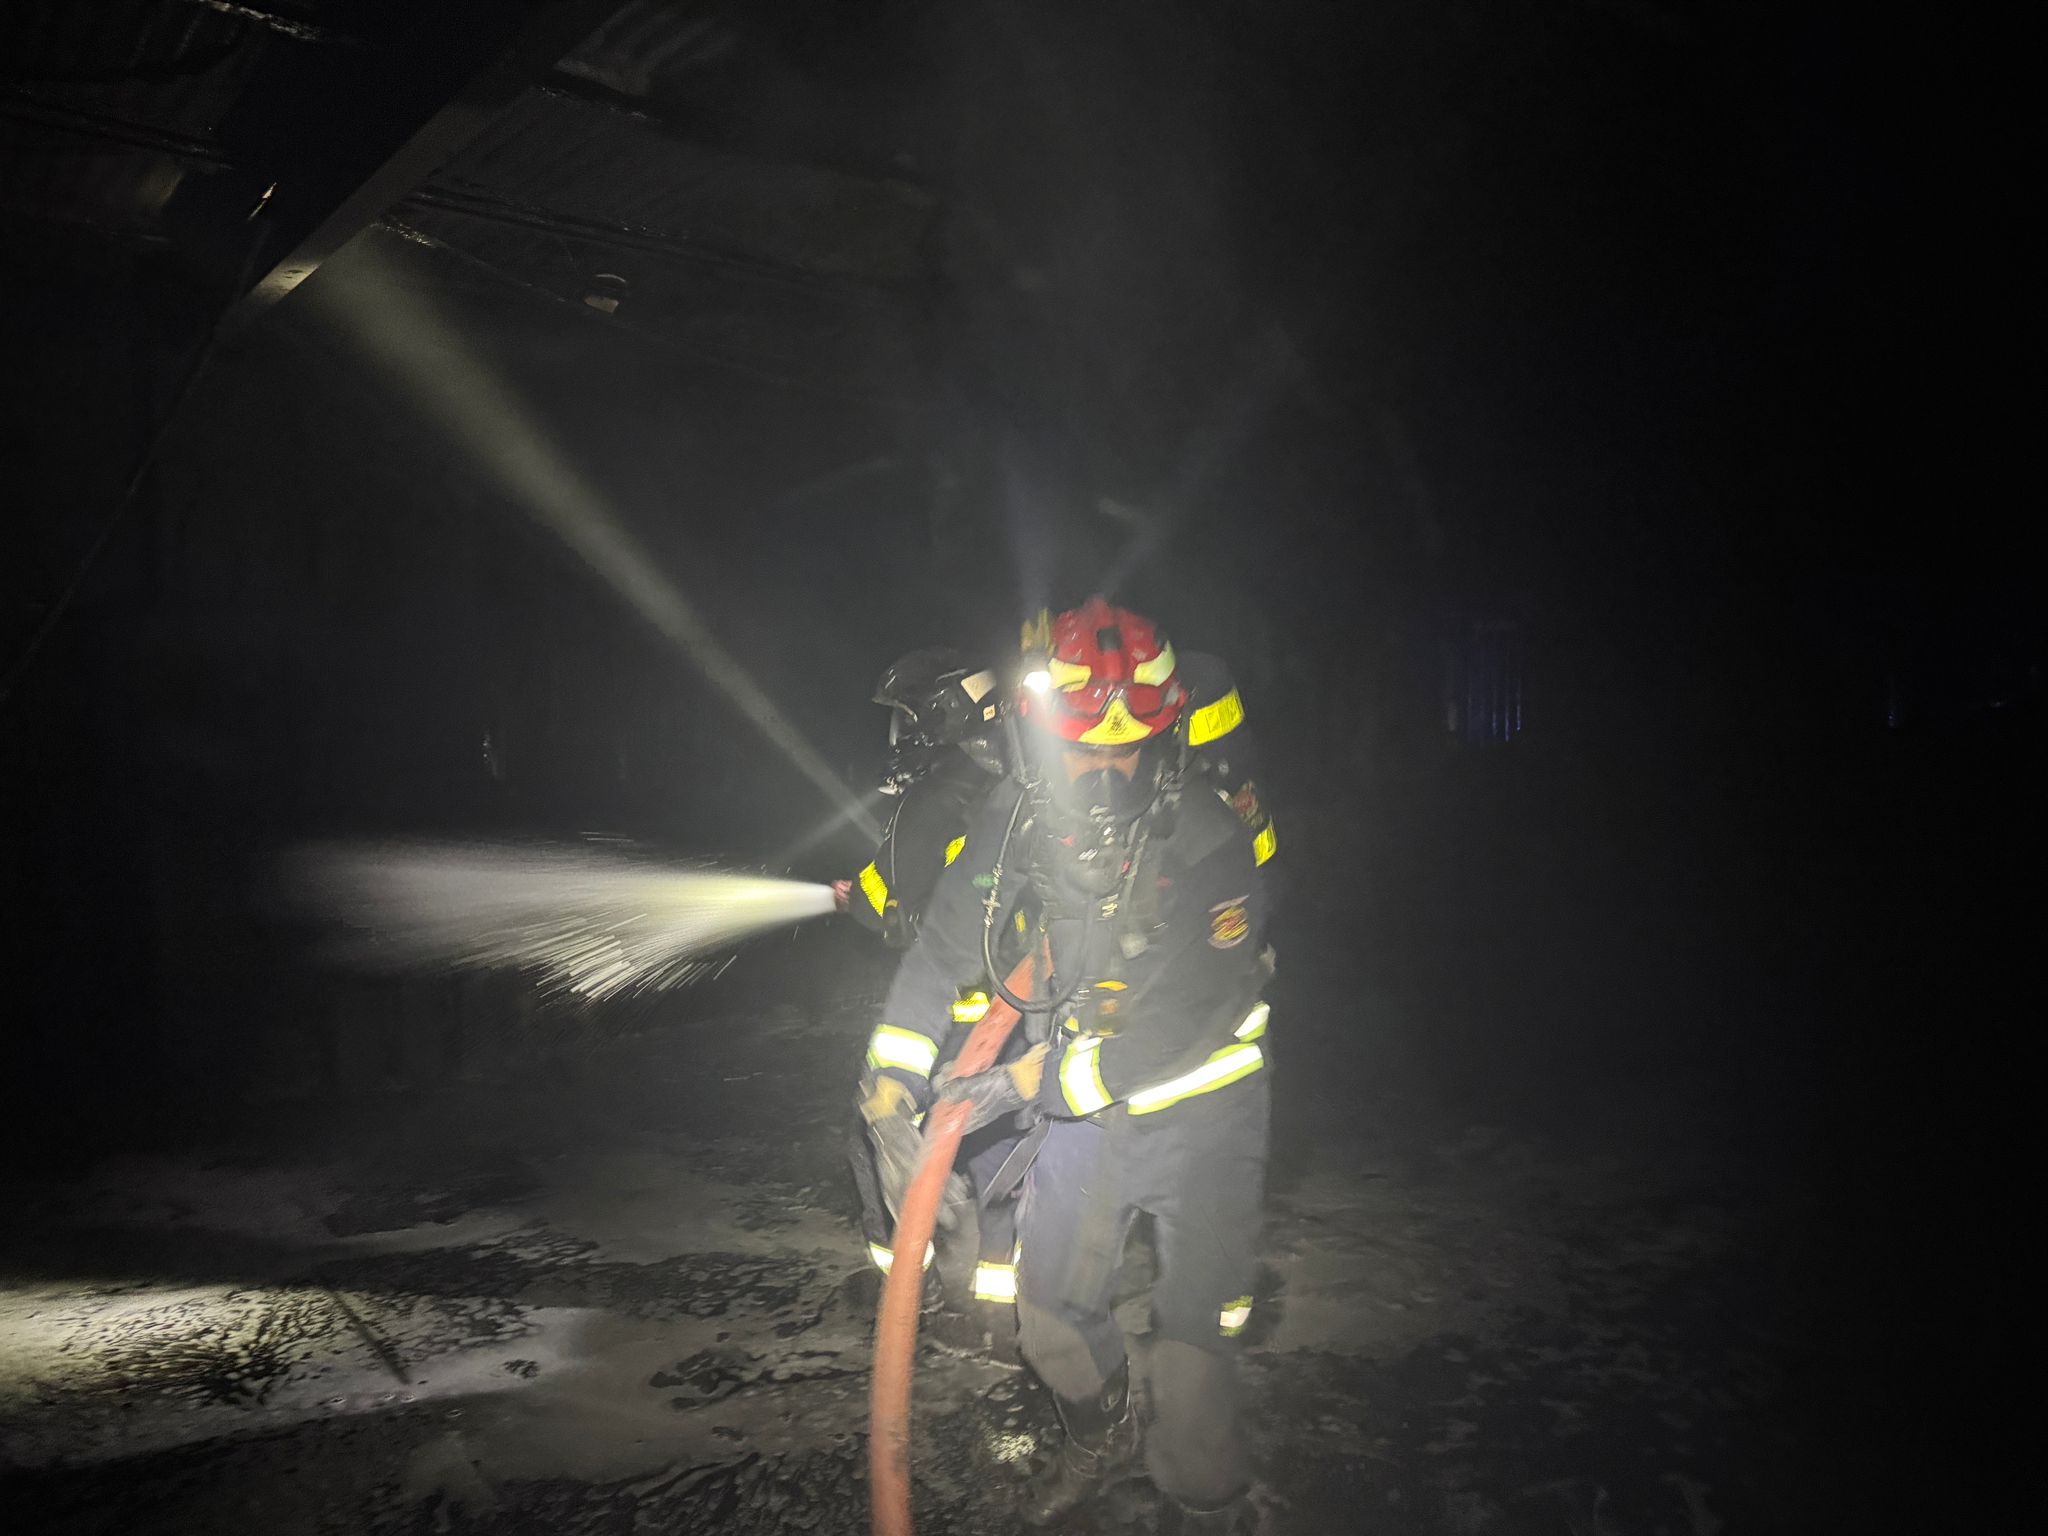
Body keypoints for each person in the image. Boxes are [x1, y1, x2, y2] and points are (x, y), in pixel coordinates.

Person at [856, 597, 1276, 1534]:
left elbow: (1182, 1023)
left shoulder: (1209, 837)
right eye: (1080, 750)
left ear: (1163, 744)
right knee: (1047, 1320)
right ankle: (1102, 1423)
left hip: (1204, 1115)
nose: (1102, 773)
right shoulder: (1016, 820)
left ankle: (1199, 1494)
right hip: (1087, 1113)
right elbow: (942, 947)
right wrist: (890, 1081)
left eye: (1125, 752)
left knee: (1197, 1373)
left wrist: (1022, 1082)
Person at [837, 648, 1027, 1359]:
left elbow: (881, 901)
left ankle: (900, 1295)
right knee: (1002, 1156)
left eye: (909, 719)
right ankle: (998, 1318)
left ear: (941, 715)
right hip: (1015, 1017)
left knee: (874, 1139)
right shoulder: (1020, 786)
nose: (902, 735)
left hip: (943, 1012)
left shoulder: (936, 795)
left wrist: (858, 892)